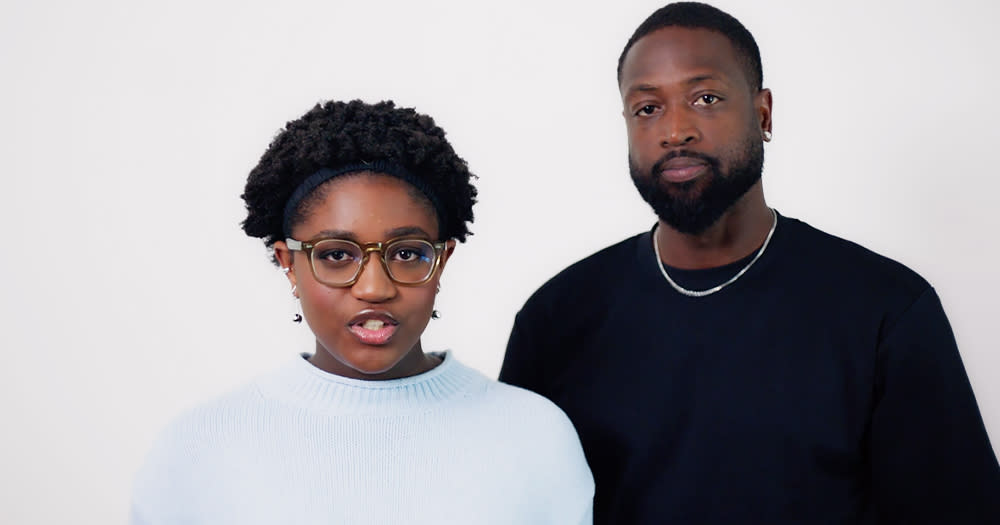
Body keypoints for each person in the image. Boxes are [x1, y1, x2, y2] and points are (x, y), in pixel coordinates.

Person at [499, 3, 1000, 524]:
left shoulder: (886, 311)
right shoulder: (555, 320)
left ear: (763, 113)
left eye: (706, 98)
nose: (675, 131)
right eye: (648, 108)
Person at [130, 100, 594, 524]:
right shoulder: (199, 448)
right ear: (289, 263)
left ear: (442, 261)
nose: (375, 287)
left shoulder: (534, 436)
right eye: (337, 255)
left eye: (407, 253)